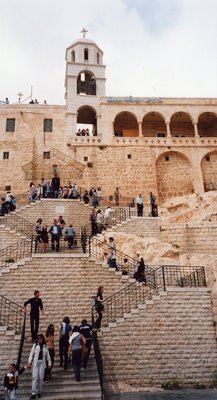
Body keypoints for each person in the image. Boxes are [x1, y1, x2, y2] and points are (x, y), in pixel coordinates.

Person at [28, 334, 51, 399]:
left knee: (40, 378)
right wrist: (29, 361)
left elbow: (48, 355)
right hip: (35, 363)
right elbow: (31, 353)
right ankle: (33, 393)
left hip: (42, 363)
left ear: (43, 339)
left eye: (40, 338)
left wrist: (49, 363)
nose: (39, 339)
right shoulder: (35, 345)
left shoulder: (45, 346)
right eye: (38, 338)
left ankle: (39, 391)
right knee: (34, 378)